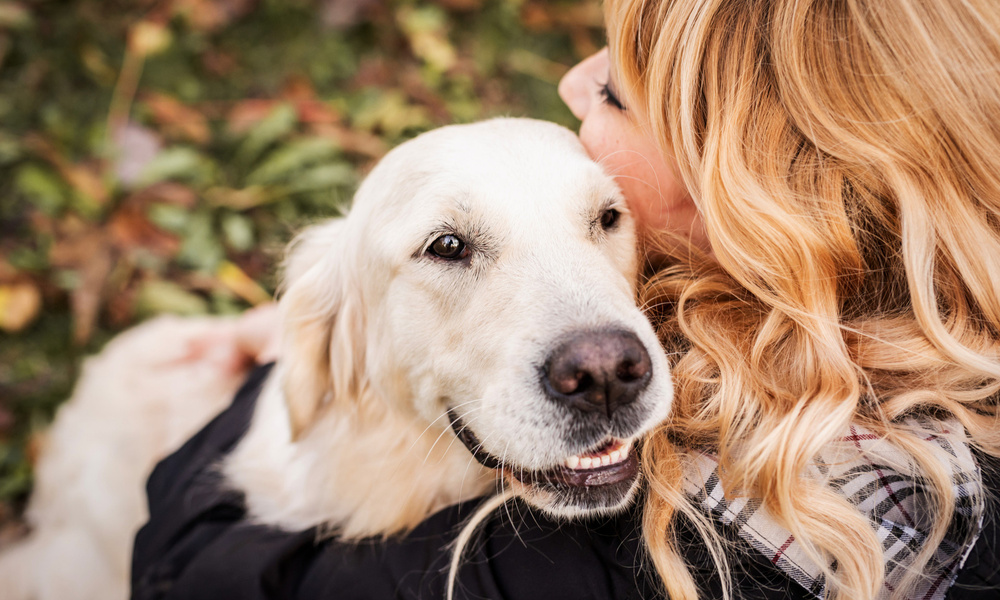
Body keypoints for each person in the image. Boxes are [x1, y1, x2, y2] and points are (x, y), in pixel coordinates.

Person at [131, 1, 1000, 599]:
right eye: (451, 248)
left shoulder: (614, 559)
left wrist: (274, 369)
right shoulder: (873, 308)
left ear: (747, 183)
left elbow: (186, 571)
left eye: (617, 92)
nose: (571, 83)